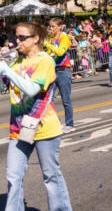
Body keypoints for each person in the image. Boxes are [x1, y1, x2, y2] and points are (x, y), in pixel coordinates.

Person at [1, 22, 72, 210]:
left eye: (22, 38)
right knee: (13, 176)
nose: (17, 41)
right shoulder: (17, 61)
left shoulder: (45, 61)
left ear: (36, 39)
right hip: (19, 128)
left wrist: (6, 70)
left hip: (43, 127)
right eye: (16, 37)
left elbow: (32, 89)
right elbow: (7, 88)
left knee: (51, 175)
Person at [45, 18, 75, 134]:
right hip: (51, 71)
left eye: (53, 26)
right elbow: (47, 54)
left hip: (63, 71)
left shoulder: (64, 37)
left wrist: (48, 45)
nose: (51, 29)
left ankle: (70, 124)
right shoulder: (49, 38)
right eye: (50, 26)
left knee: (66, 100)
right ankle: (54, 123)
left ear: (59, 27)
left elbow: (60, 52)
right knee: (49, 100)